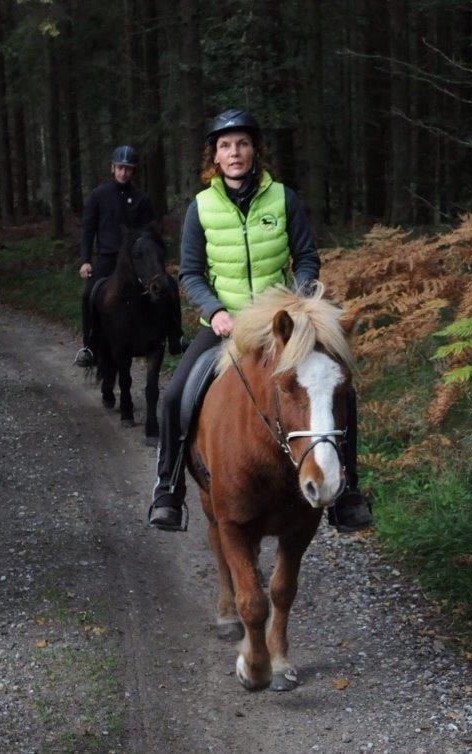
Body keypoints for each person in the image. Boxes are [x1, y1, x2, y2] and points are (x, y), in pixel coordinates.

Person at [146, 108, 373, 533]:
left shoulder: (283, 198)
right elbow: (191, 272)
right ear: (214, 156)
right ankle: (169, 488)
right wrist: (214, 311)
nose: (235, 153)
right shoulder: (201, 208)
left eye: (243, 144)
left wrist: (301, 300)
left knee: (341, 389)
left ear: (255, 150)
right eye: (226, 146)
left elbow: (306, 256)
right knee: (176, 395)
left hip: (281, 329)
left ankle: (348, 493)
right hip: (225, 326)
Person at [74, 145, 162, 367]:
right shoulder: (98, 195)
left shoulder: (141, 198)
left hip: (136, 263)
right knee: (88, 295)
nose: (124, 172)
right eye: (120, 168)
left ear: (133, 171)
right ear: (113, 168)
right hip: (108, 259)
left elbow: (149, 232)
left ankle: (171, 336)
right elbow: (88, 229)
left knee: (163, 288)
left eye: (128, 169)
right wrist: (85, 260)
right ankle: (89, 346)